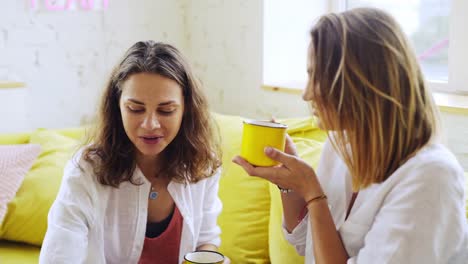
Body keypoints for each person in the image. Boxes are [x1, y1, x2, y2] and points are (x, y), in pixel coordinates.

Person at [233, 7, 468, 263]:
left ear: (360, 85)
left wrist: (313, 192)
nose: (307, 94)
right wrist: (287, 183)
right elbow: (306, 245)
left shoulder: (431, 177)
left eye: (316, 76)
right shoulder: (341, 147)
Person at [40, 41, 229, 264]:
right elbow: (59, 256)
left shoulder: (201, 165)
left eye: (166, 110)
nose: (150, 124)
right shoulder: (86, 170)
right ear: (117, 106)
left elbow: (206, 240)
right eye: (135, 109)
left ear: (186, 109)